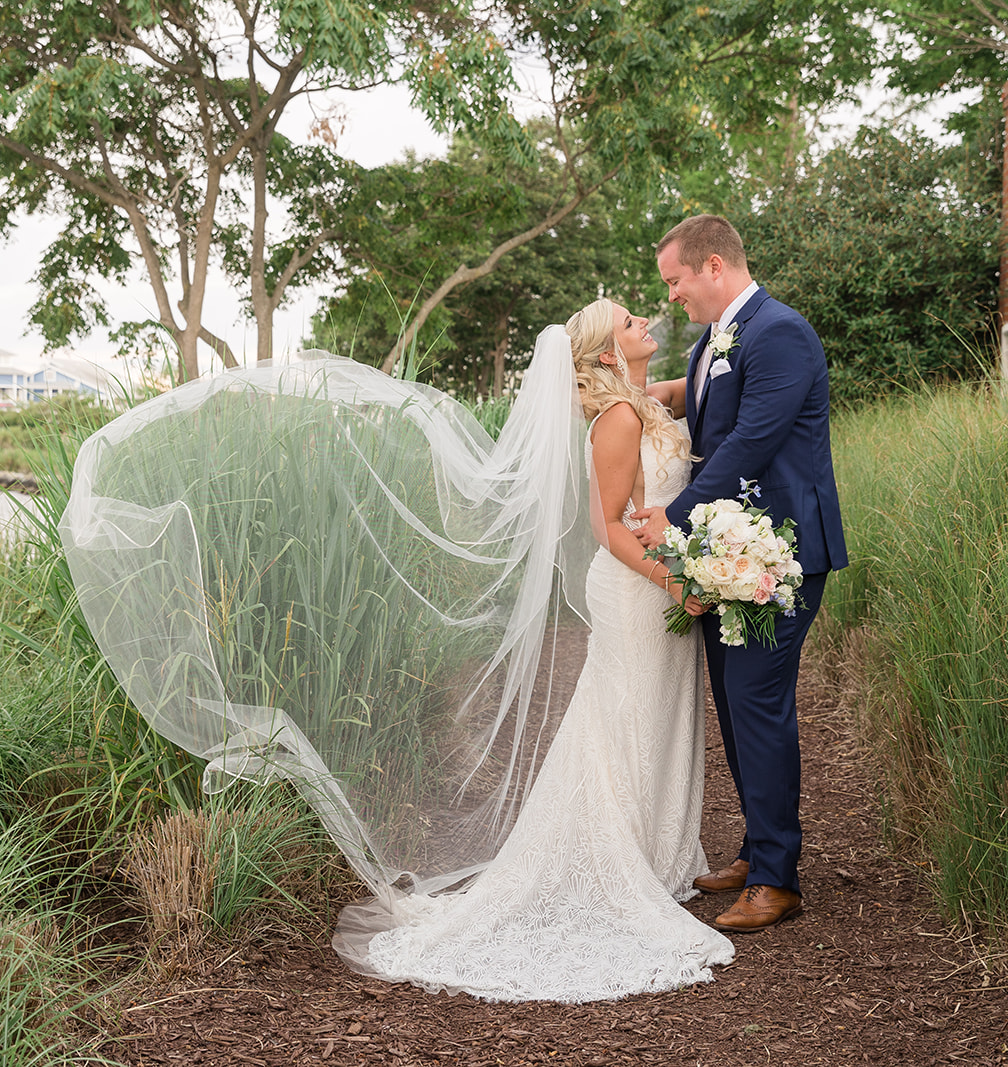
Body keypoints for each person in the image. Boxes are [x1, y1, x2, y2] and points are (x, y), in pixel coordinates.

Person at [330, 297, 735, 1001]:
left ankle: (657, 853)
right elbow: (609, 527)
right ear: (610, 353)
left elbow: (699, 385)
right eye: (629, 321)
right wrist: (675, 581)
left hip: (663, 585)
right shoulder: (615, 420)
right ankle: (616, 860)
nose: (645, 319)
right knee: (624, 716)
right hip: (636, 589)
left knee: (661, 714)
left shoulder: (648, 400)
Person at [630, 214, 850, 933]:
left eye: (677, 281)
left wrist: (679, 512)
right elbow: (711, 406)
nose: (673, 296)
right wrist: (652, 392)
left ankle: (777, 879)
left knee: (758, 702)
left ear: (714, 266)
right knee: (734, 700)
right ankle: (759, 849)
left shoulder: (778, 331)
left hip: (782, 552)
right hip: (737, 553)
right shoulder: (716, 337)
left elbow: (753, 437)